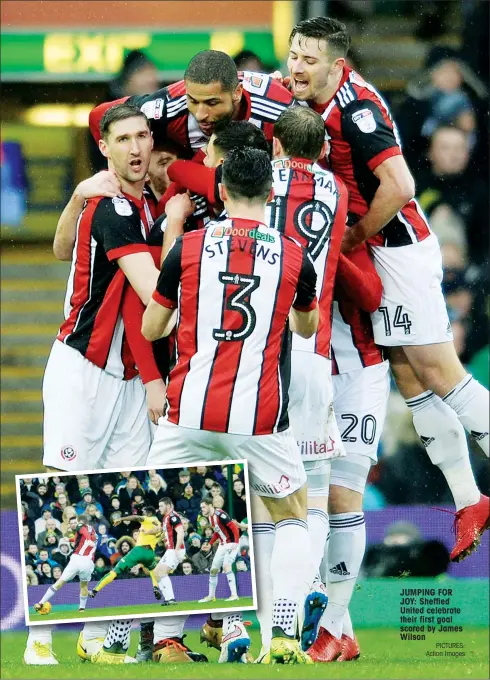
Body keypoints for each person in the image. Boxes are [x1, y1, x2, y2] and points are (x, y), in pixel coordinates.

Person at [285, 15, 489, 560]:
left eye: (309, 59)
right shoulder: (306, 100)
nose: (297, 67)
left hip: (397, 252)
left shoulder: (356, 110)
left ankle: (473, 497)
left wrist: (352, 234)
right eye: (294, 55)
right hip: (381, 255)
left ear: (337, 64)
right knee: (408, 375)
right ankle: (469, 499)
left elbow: (400, 185)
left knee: (442, 374)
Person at [143, 147, 318, 665]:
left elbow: (153, 327)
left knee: (163, 517)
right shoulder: (293, 254)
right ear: (271, 194)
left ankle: (164, 638)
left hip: (189, 411)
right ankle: (283, 636)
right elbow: (305, 327)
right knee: (292, 514)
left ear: (219, 192)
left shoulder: (190, 246)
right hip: (258, 417)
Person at [24, 103, 162, 666]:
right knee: (64, 501)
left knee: (126, 508)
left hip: (128, 376)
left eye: (142, 136)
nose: (136, 148)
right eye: (123, 139)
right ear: (104, 147)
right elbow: (155, 296)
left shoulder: (141, 202)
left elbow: (62, 249)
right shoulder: (112, 209)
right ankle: (38, 640)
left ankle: (97, 637)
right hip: (82, 370)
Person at [88, 49, 294, 154]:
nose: (201, 114)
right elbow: (98, 117)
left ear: (237, 93)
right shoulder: (169, 106)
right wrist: (116, 176)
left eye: (212, 103)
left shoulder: (280, 109)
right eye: (193, 101)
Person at [89, 507, 161, 599]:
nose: (142, 514)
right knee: (152, 571)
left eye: (144, 512)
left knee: (115, 571)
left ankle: (95, 590)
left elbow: (137, 518)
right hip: (150, 553)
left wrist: (121, 519)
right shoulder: (159, 525)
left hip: (139, 550)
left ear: (149, 513)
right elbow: (161, 538)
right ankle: (155, 588)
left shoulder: (148, 519)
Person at [33, 515, 96, 616]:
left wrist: (88, 540)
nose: (74, 525)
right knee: (84, 585)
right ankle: (82, 609)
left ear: (80, 522)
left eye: (75, 522)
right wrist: (70, 540)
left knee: (60, 582)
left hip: (77, 559)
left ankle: (41, 603)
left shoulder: (81, 527)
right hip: (88, 562)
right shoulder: (92, 531)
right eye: (71, 523)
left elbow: (84, 533)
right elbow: (81, 538)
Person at [198, 497, 242, 602]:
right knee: (213, 570)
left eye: (204, 507)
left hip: (231, 543)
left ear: (210, 505)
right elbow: (217, 532)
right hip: (222, 545)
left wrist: (235, 542)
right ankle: (211, 596)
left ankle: (234, 595)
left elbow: (234, 527)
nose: (202, 509)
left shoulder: (220, 515)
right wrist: (210, 543)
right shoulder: (210, 517)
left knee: (227, 565)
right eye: (201, 507)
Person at [150, 498, 185, 606]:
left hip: (175, 550)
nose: (159, 508)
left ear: (168, 506)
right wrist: (147, 532)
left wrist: (176, 549)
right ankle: (168, 599)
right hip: (170, 549)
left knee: (162, 572)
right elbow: (160, 530)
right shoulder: (166, 517)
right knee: (156, 573)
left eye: (161, 506)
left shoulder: (173, 517)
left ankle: (171, 599)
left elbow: (180, 532)